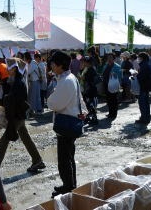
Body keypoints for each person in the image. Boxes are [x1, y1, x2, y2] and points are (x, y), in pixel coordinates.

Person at [47, 51, 86, 198]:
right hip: (71, 121)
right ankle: (71, 184)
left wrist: (49, 101)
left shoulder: (66, 81)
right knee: (68, 156)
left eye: (53, 63)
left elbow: (54, 104)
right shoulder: (70, 78)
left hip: (66, 124)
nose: (51, 65)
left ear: (60, 65)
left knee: (64, 159)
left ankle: (68, 187)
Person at [0, 58, 45, 173]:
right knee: (25, 138)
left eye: (9, 67)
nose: (8, 69)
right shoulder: (17, 81)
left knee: (4, 141)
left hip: (16, 115)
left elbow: (15, 101)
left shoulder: (18, 82)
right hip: (19, 114)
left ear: (15, 69)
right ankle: (37, 160)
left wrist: (6, 99)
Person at [135, 52, 151, 125]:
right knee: (145, 103)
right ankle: (146, 117)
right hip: (146, 87)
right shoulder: (146, 64)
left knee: (143, 103)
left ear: (142, 58)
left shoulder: (144, 65)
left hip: (143, 87)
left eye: (139, 58)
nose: (138, 59)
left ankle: (144, 118)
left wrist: (135, 75)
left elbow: (141, 77)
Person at [101, 53, 122, 121]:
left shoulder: (117, 67)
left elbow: (120, 77)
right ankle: (110, 113)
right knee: (108, 99)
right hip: (106, 85)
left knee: (114, 99)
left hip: (114, 85)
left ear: (114, 58)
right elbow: (103, 74)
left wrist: (114, 75)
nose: (109, 59)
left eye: (110, 57)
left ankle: (114, 114)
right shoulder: (105, 66)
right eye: (108, 57)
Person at [81, 56, 98, 125]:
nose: (83, 62)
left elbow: (89, 80)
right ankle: (88, 117)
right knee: (87, 104)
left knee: (90, 104)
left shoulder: (91, 69)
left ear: (87, 62)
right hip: (88, 89)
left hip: (90, 89)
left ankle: (94, 118)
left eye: (84, 61)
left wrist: (83, 78)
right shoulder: (87, 68)